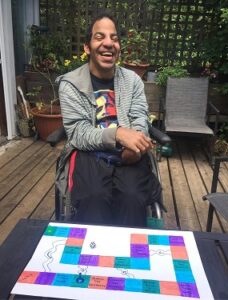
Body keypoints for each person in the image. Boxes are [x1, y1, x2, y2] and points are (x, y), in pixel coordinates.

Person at [58, 11, 161, 227]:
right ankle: (93, 256)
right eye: (99, 37)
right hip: (89, 153)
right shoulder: (70, 84)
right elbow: (78, 133)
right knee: (93, 198)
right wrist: (118, 134)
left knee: (132, 198)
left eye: (114, 38)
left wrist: (137, 144)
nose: (108, 43)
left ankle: (129, 257)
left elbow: (140, 116)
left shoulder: (132, 80)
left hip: (129, 155)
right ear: (87, 47)